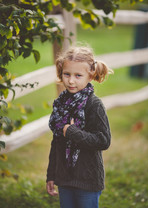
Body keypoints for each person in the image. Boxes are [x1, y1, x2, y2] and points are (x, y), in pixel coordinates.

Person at [46, 46, 113, 208]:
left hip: (87, 179)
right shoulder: (61, 104)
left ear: (90, 76)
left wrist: (72, 132)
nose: (70, 80)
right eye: (66, 74)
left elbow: (103, 140)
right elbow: (57, 142)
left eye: (78, 75)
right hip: (64, 178)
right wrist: (51, 174)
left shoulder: (93, 105)